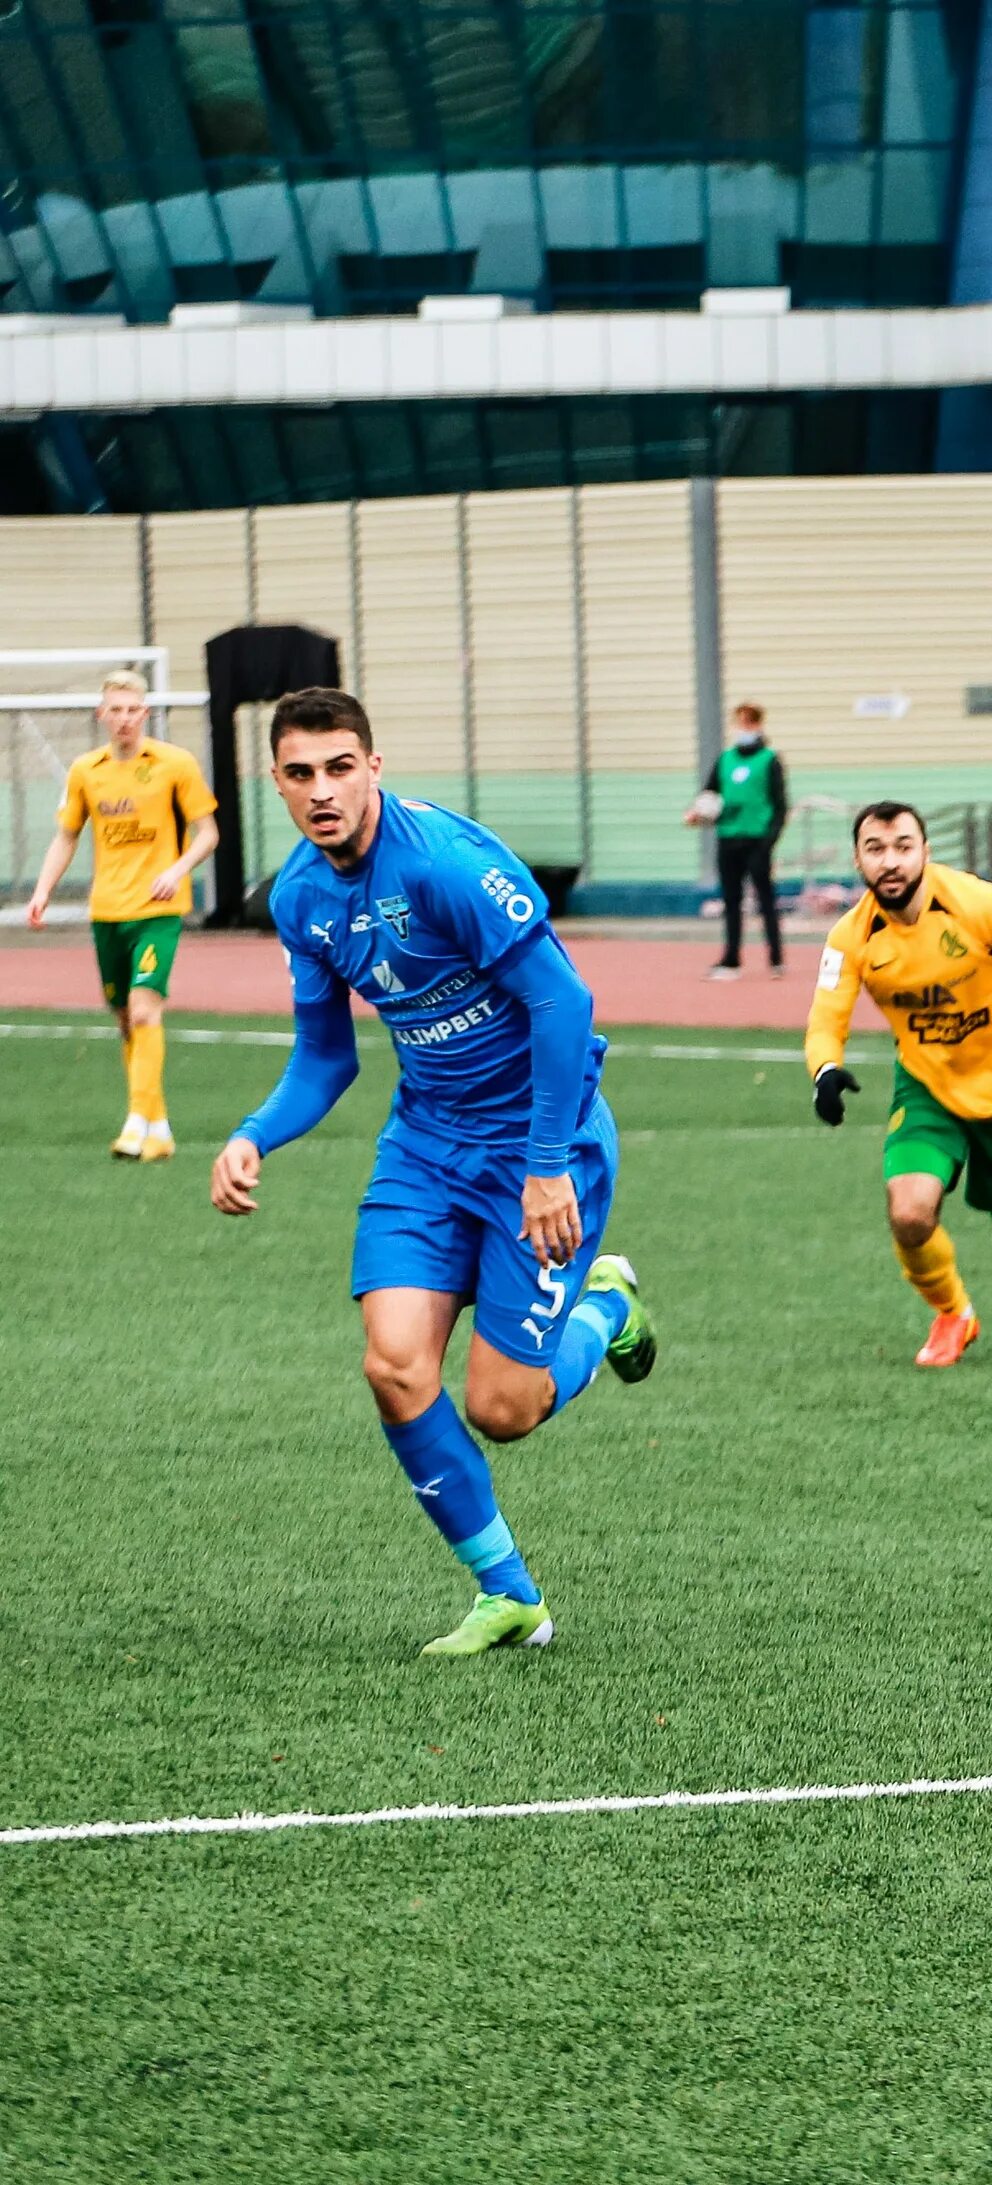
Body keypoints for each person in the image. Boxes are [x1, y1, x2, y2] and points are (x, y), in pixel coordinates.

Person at [208, 688, 657, 1656]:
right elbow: (327, 1058)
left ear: (374, 765)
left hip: (545, 1142)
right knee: (394, 1365)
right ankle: (511, 1595)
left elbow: (564, 1004)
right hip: (425, 1145)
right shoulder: (299, 897)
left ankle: (607, 1308)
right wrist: (253, 1134)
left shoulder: (445, 865)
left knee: (505, 1408)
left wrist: (545, 1167)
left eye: (339, 767)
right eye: (300, 773)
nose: (322, 791)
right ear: (275, 782)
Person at [806, 802, 992, 1366]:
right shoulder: (850, 936)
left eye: (903, 847)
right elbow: (826, 1017)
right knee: (908, 1213)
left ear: (925, 853)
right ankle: (954, 1313)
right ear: (858, 860)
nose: (891, 862)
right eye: (876, 849)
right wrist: (825, 1070)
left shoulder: (977, 904)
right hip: (927, 1088)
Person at [21, 668, 221, 1161]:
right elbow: (67, 835)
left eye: (134, 710)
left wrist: (178, 871)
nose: (126, 719)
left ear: (145, 712)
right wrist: (42, 890)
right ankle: (160, 1128)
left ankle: (135, 1123)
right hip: (107, 910)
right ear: (102, 714)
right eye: (117, 710)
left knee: (144, 1008)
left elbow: (209, 833)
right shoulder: (87, 771)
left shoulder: (175, 764)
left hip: (158, 910)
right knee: (125, 1021)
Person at [691, 701, 790, 981]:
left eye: (749, 723)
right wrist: (698, 812)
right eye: (739, 723)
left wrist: (769, 841)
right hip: (728, 838)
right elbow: (709, 795)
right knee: (731, 900)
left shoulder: (769, 760)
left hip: (757, 840)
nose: (743, 729)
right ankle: (731, 958)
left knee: (765, 899)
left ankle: (776, 958)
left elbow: (780, 805)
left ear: (758, 725)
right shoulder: (725, 760)